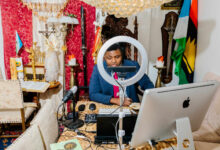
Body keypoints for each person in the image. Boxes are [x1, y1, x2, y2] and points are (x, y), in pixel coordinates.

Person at [89, 43, 154, 106]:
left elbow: (147, 83)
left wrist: (151, 97)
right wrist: (115, 100)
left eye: (117, 57)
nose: (114, 61)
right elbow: (93, 94)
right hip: (109, 106)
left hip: (131, 106)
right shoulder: (98, 69)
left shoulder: (132, 65)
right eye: (109, 58)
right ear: (104, 57)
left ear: (122, 55)